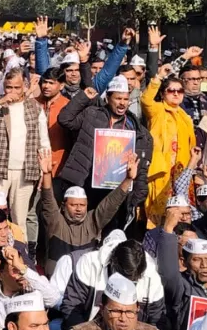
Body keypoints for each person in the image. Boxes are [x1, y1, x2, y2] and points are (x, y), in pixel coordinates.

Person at [0, 67, 51, 232]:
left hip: (25, 172)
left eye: (17, 87)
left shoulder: (35, 107)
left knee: (19, 221)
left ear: (25, 86)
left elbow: (44, 142)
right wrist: (0, 102)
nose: (12, 91)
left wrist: (44, 171)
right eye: (9, 87)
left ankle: (21, 255)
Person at [56, 75, 151, 212]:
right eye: (118, 99)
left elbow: (141, 161)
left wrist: (138, 190)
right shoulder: (91, 114)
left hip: (113, 186)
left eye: (125, 99)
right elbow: (65, 120)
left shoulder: (134, 126)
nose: (122, 103)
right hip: (84, 181)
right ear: (107, 98)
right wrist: (83, 97)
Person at [39, 150, 136, 275]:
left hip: (84, 282)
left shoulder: (92, 221)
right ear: (63, 206)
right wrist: (47, 174)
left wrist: (128, 179)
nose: (79, 209)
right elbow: (48, 201)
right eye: (73, 205)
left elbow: (110, 204)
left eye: (82, 205)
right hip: (56, 283)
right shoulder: (56, 222)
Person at [139, 57, 197, 226]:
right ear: (163, 94)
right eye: (171, 91)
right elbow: (145, 100)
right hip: (161, 172)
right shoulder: (157, 110)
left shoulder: (184, 116)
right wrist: (158, 78)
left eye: (180, 91)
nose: (176, 94)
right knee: (158, 214)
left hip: (181, 174)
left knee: (180, 216)